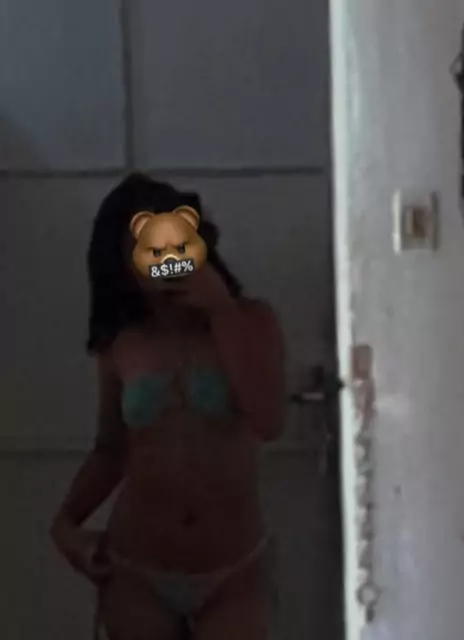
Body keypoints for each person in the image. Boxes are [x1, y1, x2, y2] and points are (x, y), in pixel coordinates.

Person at [50, 173, 285, 640]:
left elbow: (269, 420)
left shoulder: (251, 320)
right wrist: (65, 524)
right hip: (137, 567)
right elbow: (111, 450)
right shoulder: (122, 343)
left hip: (234, 568)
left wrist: (220, 309)